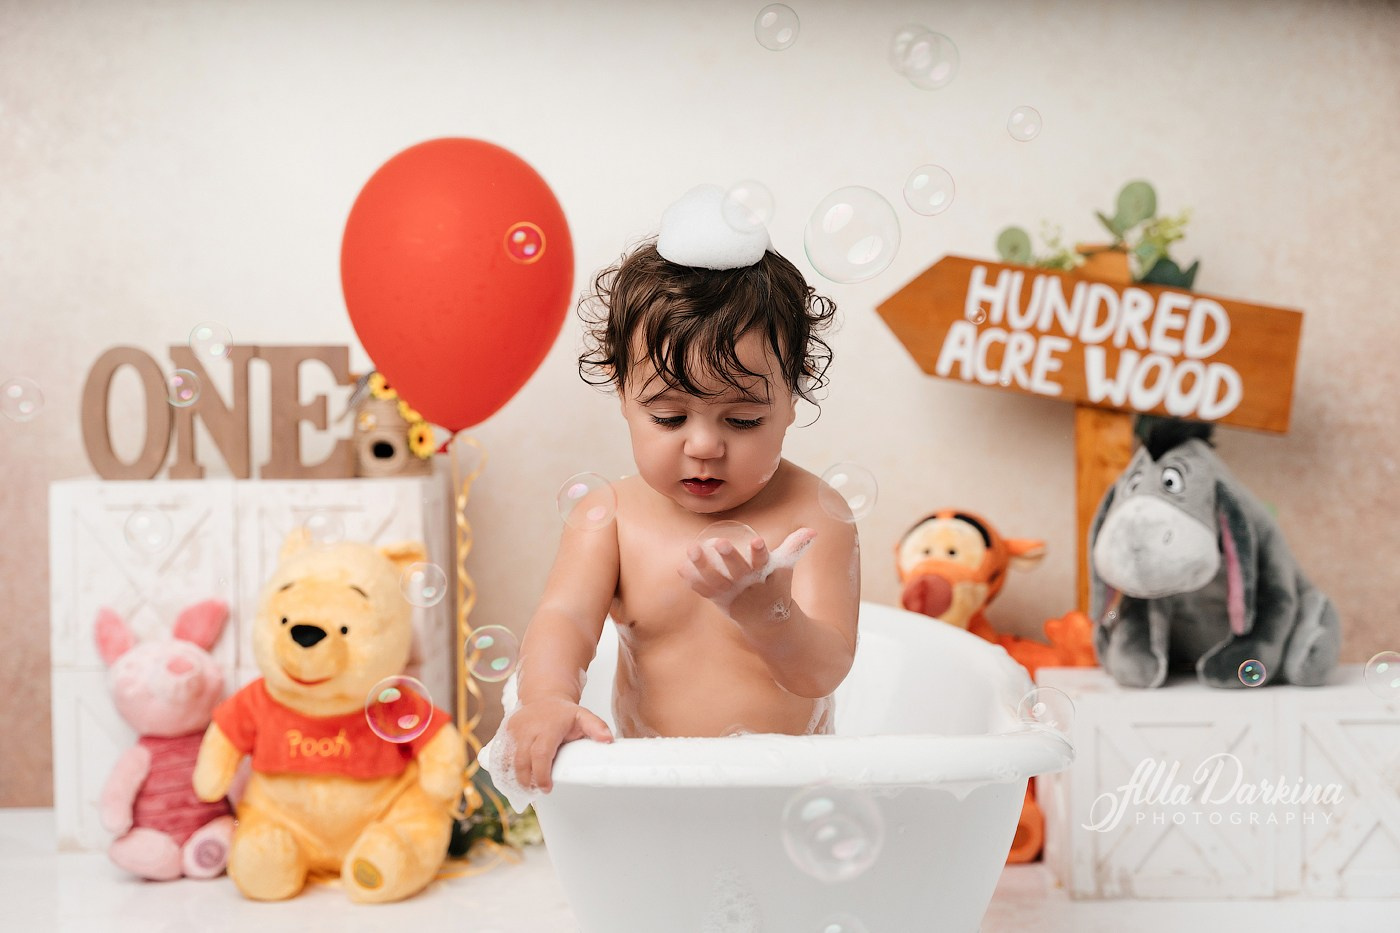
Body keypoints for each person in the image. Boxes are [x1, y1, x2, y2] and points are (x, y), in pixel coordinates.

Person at [500, 185, 861, 794]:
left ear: (793, 398)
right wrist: (546, 697)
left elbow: (822, 673)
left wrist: (768, 613)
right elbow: (566, 619)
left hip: (786, 793)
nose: (704, 445)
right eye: (669, 418)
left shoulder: (814, 514)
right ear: (621, 391)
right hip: (653, 793)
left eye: (742, 420)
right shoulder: (612, 518)